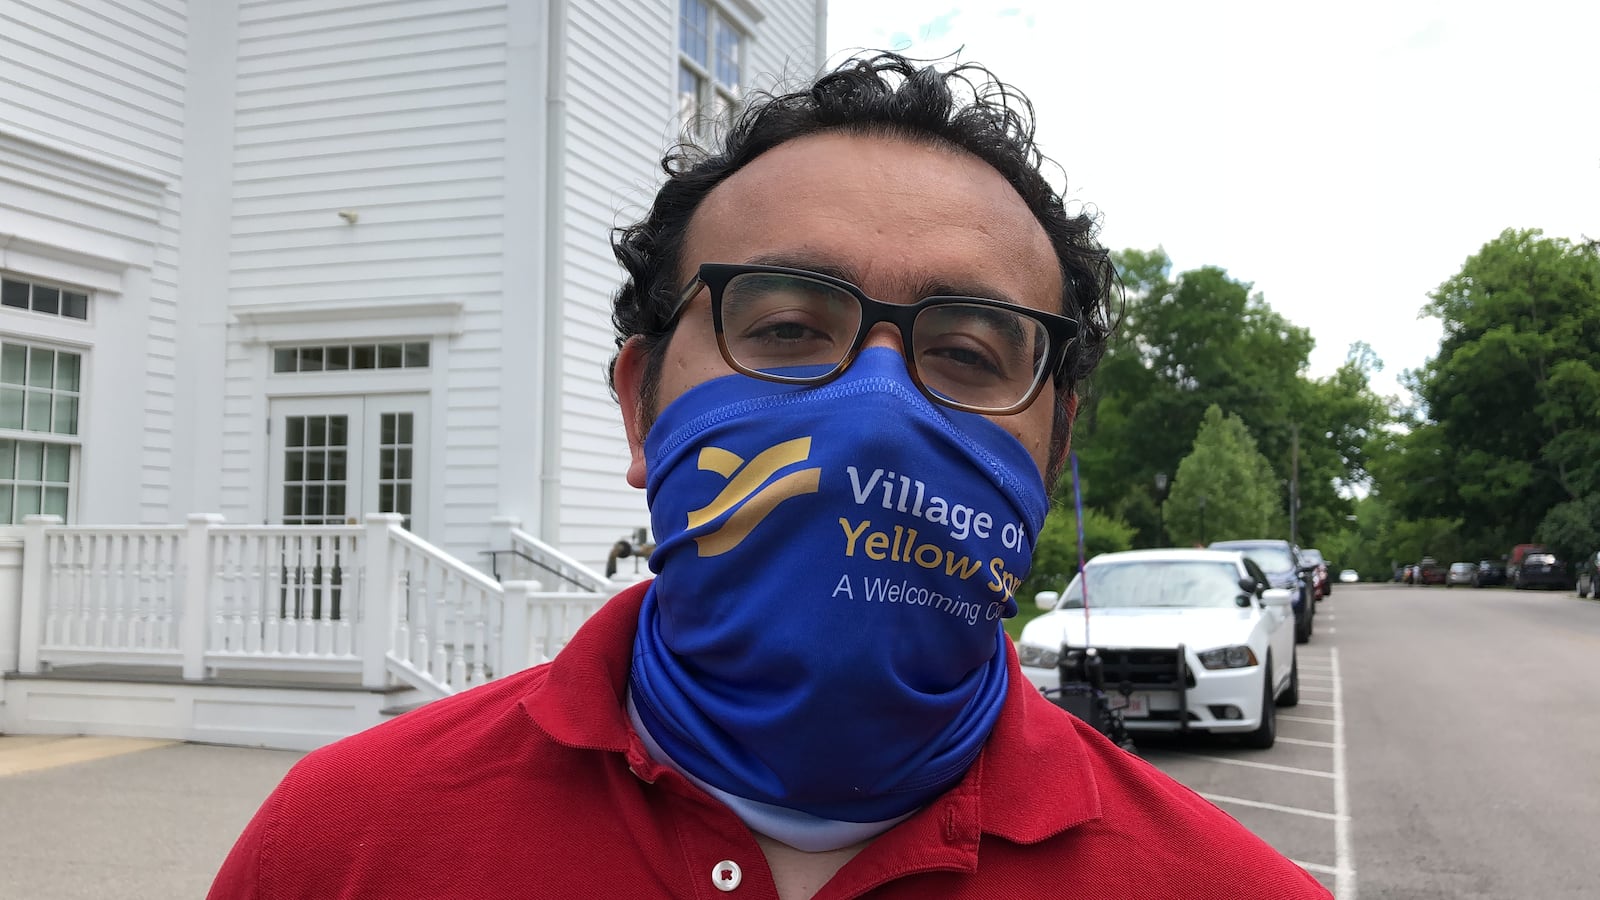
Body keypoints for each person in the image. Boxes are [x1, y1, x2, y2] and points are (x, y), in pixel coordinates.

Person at [208, 52, 1331, 899]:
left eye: (965, 353)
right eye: (788, 327)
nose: (879, 417)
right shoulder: (343, 846)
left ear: (1053, 446)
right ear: (641, 402)